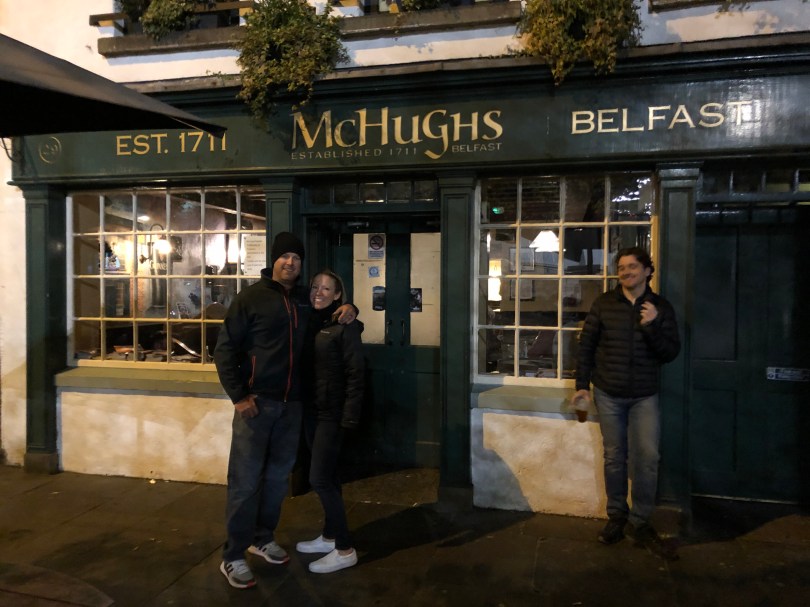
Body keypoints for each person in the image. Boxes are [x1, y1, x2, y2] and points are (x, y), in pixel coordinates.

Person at [213, 232, 357, 589]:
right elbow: (225, 350)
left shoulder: (306, 301)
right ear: (273, 260)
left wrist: (352, 309)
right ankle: (233, 555)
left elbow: (333, 317)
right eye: (284, 256)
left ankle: (262, 538)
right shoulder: (250, 299)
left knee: (278, 480)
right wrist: (239, 396)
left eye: (296, 257)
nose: (290, 262)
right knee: (245, 482)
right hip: (256, 405)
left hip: (293, 407)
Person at [574, 246, 681, 560]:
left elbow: (670, 353)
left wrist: (651, 325)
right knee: (614, 457)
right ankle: (616, 517)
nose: (625, 272)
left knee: (647, 457)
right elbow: (587, 346)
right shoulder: (604, 303)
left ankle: (640, 521)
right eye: (621, 267)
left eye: (633, 266)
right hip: (608, 393)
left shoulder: (660, 307)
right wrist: (581, 386)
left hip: (644, 394)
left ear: (647, 271)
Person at [296, 269, 364, 574]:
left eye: (326, 289)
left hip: (332, 414)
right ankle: (330, 536)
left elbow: (355, 374)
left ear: (338, 295)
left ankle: (345, 549)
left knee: (319, 478)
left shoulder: (345, 326)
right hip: (311, 410)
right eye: (315, 287)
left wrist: (349, 416)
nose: (318, 293)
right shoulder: (309, 320)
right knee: (330, 476)